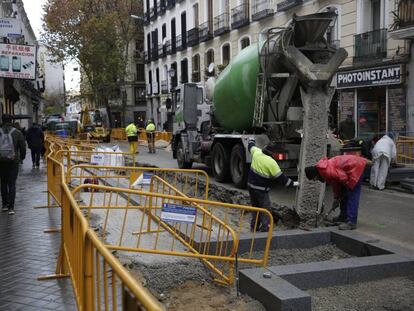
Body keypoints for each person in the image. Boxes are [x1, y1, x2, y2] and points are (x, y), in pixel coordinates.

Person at [247, 138, 298, 232]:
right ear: (273, 153)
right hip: (261, 190)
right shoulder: (271, 163)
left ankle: (253, 228)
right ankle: (265, 229)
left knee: (255, 208)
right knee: (266, 210)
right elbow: (283, 180)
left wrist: (251, 140)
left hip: (251, 187)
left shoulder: (257, 152)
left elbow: (250, 146)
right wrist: (295, 183)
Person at [305, 155, 367, 230]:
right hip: (350, 168)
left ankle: (351, 222)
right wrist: (336, 197)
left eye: (314, 179)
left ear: (315, 174)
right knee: (344, 194)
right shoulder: (323, 170)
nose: (315, 180)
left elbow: (343, 177)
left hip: (356, 168)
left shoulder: (326, 171)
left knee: (352, 195)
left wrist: (347, 187)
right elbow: (335, 184)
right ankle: (343, 217)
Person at [0, 114, 26, 215]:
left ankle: (4, 205)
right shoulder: (17, 132)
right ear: (11, 120)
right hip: (13, 161)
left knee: (3, 183)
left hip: (1, 161)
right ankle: (11, 207)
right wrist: (21, 158)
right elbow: (23, 147)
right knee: (12, 184)